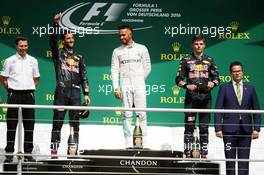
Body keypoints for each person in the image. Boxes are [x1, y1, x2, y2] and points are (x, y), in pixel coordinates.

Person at [50, 14, 91, 156]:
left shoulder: (80, 57)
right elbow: (52, 41)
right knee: (58, 121)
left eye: (72, 38)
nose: (71, 39)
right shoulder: (58, 54)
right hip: (61, 92)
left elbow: (84, 75)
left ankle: (72, 150)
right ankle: (54, 150)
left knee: (75, 123)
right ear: (63, 41)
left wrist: (86, 93)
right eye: (68, 38)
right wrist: (56, 24)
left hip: (75, 94)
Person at [175, 35, 219, 158]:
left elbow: (217, 78)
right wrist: (186, 86)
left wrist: (212, 83)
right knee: (189, 127)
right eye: (196, 44)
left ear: (204, 45)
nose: (198, 46)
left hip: (205, 98)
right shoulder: (186, 59)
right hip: (191, 98)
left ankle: (204, 153)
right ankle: (188, 153)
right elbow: (178, 79)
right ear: (192, 45)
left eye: (201, 44)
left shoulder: (209, 60)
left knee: (204, 128)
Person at [215, 61, 261, 175]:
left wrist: (257, 128)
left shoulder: (250, 88)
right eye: (234, 71)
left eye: (239, 71)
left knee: (244, 162)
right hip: (228, 131)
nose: (237, 74)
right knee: (230, 162)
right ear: (231, 73)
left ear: (242, 72)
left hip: (246, 131)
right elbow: (218, 110)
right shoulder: (224, 88)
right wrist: (218, 128)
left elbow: (257, 110)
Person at [0, 36, 40, 162]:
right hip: (14, 95)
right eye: (21, 46)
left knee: (29, 125)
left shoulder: (33, 60)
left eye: (25, 46)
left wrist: (29, 88)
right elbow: (3, 78)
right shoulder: (9, 60)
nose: (23, 48)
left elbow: (36, 78)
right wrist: (11, 90)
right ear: (16, 46)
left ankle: (28, 154)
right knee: (11, 125)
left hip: (29, 95)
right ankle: (9, 154)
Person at [111, 25, 151, 148]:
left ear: (130, 34)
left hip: (139, 85)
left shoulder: (142, 48)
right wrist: (116, 87)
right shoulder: (117, 51)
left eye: (123, 35)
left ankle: (143, 143)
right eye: (120, 35)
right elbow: (114, 69)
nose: (121, 37)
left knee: (142, 114)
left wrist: (139, 79)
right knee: (126, 115)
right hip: (125, 86)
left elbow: (148, 67)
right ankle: (128, 143)